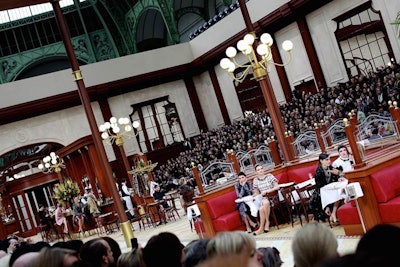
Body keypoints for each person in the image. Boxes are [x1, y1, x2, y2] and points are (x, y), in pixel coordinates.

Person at [314, 153, 343, 223]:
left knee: (339, 192)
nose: (329, 161)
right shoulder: (318, 172)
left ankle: (333, 214)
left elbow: (337, 174)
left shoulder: (329, 167)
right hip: (321, 193)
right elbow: (319, 187)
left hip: (330, 189)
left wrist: (339, 177)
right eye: (326, 160)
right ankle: (333, 214)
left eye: (329, 159)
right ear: (321, 161)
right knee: (338, 194)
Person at [252, 164, 279, 235]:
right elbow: (257, 193)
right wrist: (252, 196)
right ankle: (262, 227)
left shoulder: (269, 176)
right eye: (258, 170)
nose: (260, 170)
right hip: (263, 199)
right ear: (256, 172)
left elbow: (277, 187)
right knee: (262, 208)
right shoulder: (255, 180)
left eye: (261, 168)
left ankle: (266, 224)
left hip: (273, 197)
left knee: (265, 203)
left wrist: (267, 191)